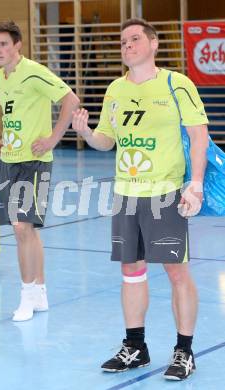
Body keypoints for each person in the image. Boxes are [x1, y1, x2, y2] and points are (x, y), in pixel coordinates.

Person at [72, 18, 209, 381]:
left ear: (154, 44)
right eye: (122, 41)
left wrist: (194, 183)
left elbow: (199, 137)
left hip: (164, 192)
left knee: (176, 270)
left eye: (135, 39)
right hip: (127, 194)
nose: (127, 45)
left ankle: (184, 350)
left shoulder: (175, 84)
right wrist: (85, 131)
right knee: (131, 272)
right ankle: (136, 347)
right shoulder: (115, 89)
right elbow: (106, 140)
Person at [0, 21, 80, 321]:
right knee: (27, 230)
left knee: (21, 228)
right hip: (9, 160)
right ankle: (39, 292)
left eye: (4, 44)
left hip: (35, 162)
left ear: (17, 45)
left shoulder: (34, 72)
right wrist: (5, 139)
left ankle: (26, 296)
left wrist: (53, 137)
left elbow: (71, 99)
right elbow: (15, 116)